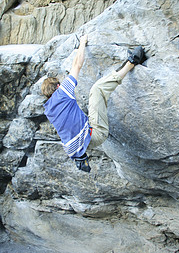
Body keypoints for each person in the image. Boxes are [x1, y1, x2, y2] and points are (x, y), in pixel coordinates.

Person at [41, 35, 145, 172]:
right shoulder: (62, 92)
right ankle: (132, 62)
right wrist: (82, 42)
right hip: (96, 133)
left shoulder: (48, 110)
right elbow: (77, 65)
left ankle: (81, 156)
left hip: (76, 148)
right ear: (58, 86)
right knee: (97, 89)